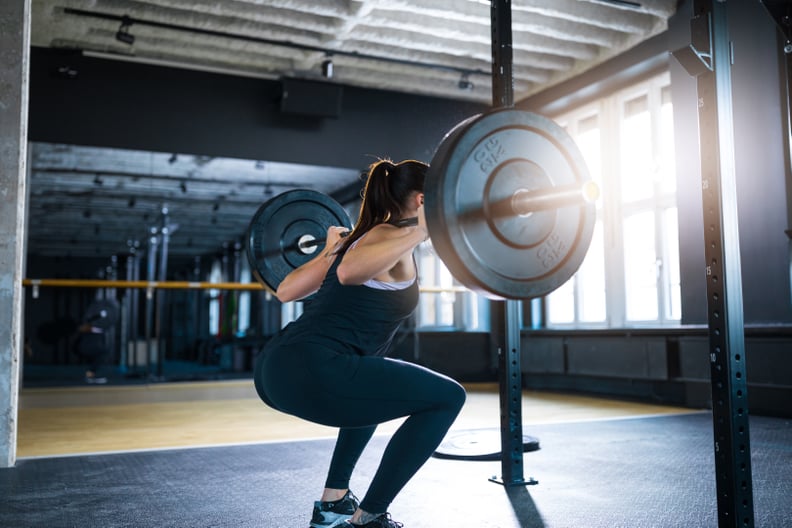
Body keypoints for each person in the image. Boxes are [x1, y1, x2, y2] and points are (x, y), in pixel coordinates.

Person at [254, 159, 466, 528]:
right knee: (449, 397)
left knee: (374, 380)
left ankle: (333, 502)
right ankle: (368, 517)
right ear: (421, 201)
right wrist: (423, 230)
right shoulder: (391, 239)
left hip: (276, 369)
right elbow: (349, 274)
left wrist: (329, 251)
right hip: (312, 368)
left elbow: (286, 291)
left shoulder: (359, 239)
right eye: (438, 199)